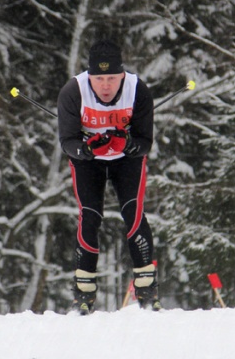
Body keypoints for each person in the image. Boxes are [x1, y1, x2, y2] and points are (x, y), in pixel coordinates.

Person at [57, 39, 160, 314]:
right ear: (89, 76)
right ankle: (83, 294)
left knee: (133, 212)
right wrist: (85, 149)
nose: (105, 86)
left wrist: (128, 145)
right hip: (88, 162)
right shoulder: (73, 92)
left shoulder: (137, 90)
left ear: (122, 75)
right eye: (99, 79)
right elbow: (67, 141)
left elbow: (145, 142)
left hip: (126, 160)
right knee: (89, 215)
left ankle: (147, 290)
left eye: (112, 78)